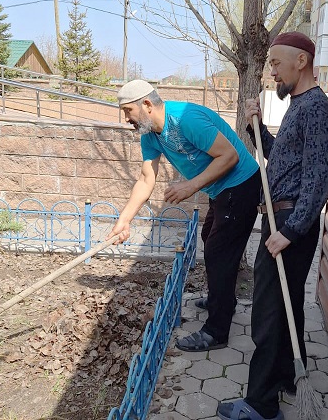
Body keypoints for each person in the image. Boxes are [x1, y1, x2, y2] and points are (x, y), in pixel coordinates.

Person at [217, 32, 328, 420]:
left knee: (268, 312)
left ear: (301, 61)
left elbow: (320, 177)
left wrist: (290, 230)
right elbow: (281, 160)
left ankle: (261, 404)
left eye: (275, 63)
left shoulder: (315, 108)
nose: (272, 72)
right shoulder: (299, 106)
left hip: (288, 221)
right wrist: (257, 129)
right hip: (282, 217)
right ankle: (287, 376)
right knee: (287, 306)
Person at [107, 79, 261, 352]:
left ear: (146, 104)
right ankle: (222, 300)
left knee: (219, 253)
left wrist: (190, 186)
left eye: (128, 111)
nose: (127, 119)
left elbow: (229, 156)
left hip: (241, 184)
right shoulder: (151, 135)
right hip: (220, 189)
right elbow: (146, 179)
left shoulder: (185, 119)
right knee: (209, 239)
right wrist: (125, 219)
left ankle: (216, 332)